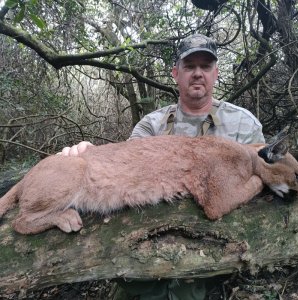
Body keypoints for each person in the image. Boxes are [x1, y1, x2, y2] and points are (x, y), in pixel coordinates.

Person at [60, 34, 265, 299]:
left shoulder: (243, 125)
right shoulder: (152, 124)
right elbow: (122, 168)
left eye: (205, 66)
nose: (197, 73)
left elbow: (265, 175)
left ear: (215, 73)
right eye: (189, 66)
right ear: (175, 73)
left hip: (207, 262)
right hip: (142, 255)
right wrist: (88, 156)